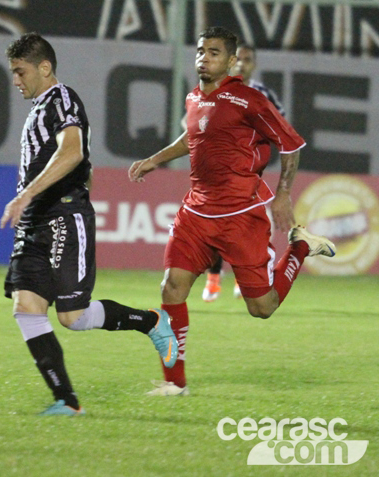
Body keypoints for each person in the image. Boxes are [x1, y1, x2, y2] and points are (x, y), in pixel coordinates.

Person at [128, 26, 336, 396]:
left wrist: (283, 194)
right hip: (196, 212)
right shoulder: (194, 97)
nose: (204, 59)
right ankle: (175, 384)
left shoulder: (249, 100)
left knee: (263, 308)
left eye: (214, 53)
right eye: (200, 51)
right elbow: (191, 137)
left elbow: (291, 145)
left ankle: (300, 247)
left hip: (242, 216)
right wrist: (155, 159)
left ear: (230, 60)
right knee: (172, 288)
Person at [0, 32, 178, 416]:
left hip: (62, 216)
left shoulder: (62, 99)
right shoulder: (38, 108)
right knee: (26, 307)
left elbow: (73, 151)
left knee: (73, 317)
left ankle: (150, 321)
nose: (16, 80)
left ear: (44, 68)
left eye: (20, 71)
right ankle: (67, 402)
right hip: (35, 221)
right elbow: (84, 163)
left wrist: (31, 194)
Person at [202, 43, 287, 302]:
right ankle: (214, 279)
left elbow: (281, 126)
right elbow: (194, 120)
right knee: (214, 224)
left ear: (254, 64)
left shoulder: (263, 93)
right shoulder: (215, 88)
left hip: (249, 171)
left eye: (247, 59)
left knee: (247, 227)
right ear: (230, 61)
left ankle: (243, 277)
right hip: (216, 169)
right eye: (238, 59)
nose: (242, 63)